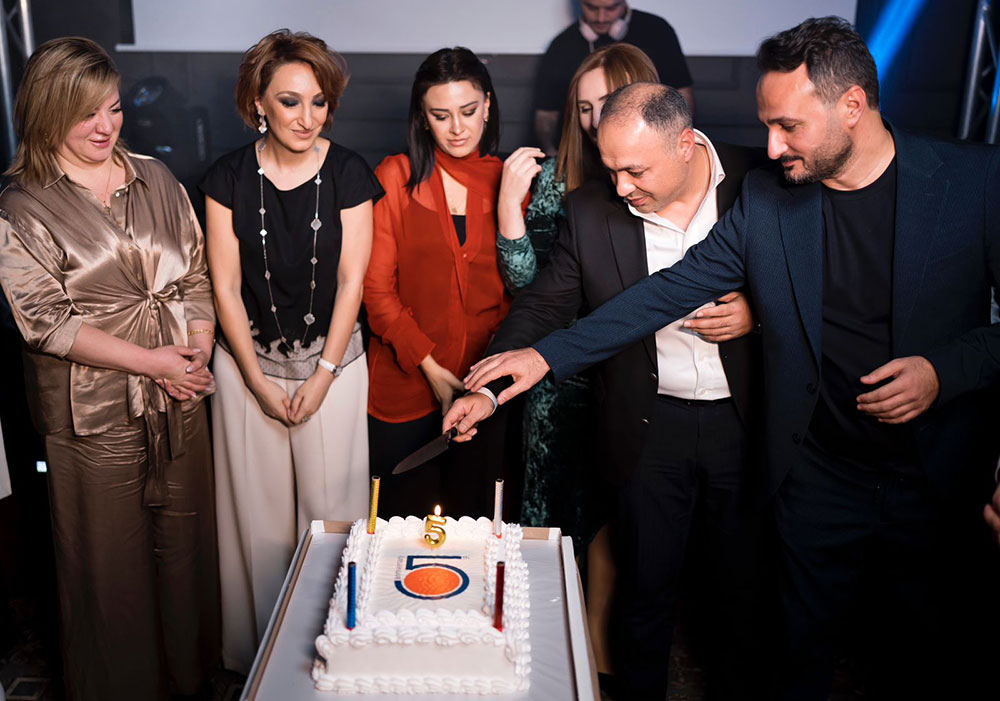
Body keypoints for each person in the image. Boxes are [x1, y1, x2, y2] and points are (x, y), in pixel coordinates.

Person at [460, 16, 1000, 700]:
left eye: (788, 126)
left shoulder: (975, 180)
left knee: (932, 656)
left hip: (936, 475)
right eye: (767, 126)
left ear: (853, 106)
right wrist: (542, 358)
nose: (771, 147)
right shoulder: (773, 198)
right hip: (818, 471)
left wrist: (943, 371)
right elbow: (664, 293)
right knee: (794, 658)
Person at [452, 80, 766, 699]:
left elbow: (815, 283)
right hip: (649, 427)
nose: (621, 187)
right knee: (644, 593)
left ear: (684, 144)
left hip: (745, 421)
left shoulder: (759, 181)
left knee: (744, 592)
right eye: (611, 168)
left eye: (635, 171)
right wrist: (488, 386)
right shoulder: (592, 208)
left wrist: (758, 314)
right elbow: (543, 306)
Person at [0, 37, 219, 700]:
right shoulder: (22, 206)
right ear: (48, 113)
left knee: (183, 555)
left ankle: (189, 685)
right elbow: (47, 323)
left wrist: (197, 355)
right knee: (108, 573)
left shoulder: (158, 177)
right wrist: (154, 363)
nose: (105, 126)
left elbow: (196, 276)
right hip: (91, 412)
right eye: (86, 113)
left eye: (114, 109)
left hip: (179, 397)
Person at [201, 29, 381, 673]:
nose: (308, 117)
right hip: (244, 367)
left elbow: (353, 282)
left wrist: (325, 375)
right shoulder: (225, 177)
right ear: (259, 103)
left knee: (332, 521)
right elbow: (224, 286)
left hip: (335, 367)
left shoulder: (350, 172)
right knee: (256, 525)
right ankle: (259, 663)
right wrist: (254, 380)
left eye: (319, 102)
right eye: (290, 101)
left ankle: (333, 656)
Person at [495, 43, 660, 688]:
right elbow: (530, 290)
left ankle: (598, 658)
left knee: (618, 525)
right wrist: (509, 210)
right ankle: (543, 660)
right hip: (554, 379)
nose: (593, 120)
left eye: (608, 104)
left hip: (633, 374)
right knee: (548, 518)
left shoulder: (656, 181)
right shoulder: (554, 178)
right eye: (584, 107)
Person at [364, 47, 514, 518]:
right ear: (422, 118)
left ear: (487, 105)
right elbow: (376, 291)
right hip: (404, 390)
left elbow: (518, 294)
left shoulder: (509, 181)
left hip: (484, 391)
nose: (457, 128)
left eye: (468, 111)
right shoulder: (395, 176)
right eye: (441, 115)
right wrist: (431, 369)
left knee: (476, 529)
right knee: (399, 531)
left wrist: (485, 385)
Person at [534, 0, 693, 154]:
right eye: (591, 7)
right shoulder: (561, 46)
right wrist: (551, 154)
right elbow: (546, 114)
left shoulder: (657, 32)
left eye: (611, 8)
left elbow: (683, 97)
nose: (601, 18)